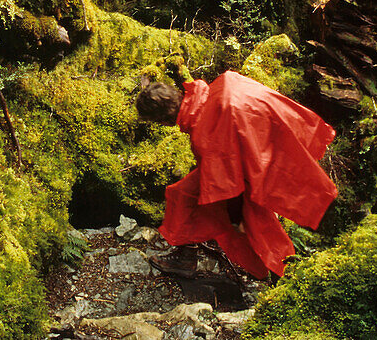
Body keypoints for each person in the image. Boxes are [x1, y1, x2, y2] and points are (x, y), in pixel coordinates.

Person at [136, 70, 337, 279]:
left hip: (253, 170)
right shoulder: (209, 93)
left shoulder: (203, 131)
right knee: (183, 194)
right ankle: (187, 256)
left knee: (255, 226)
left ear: (162, 118)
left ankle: (283, 276)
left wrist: (235, 219)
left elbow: (228, 184)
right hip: (261, 150)